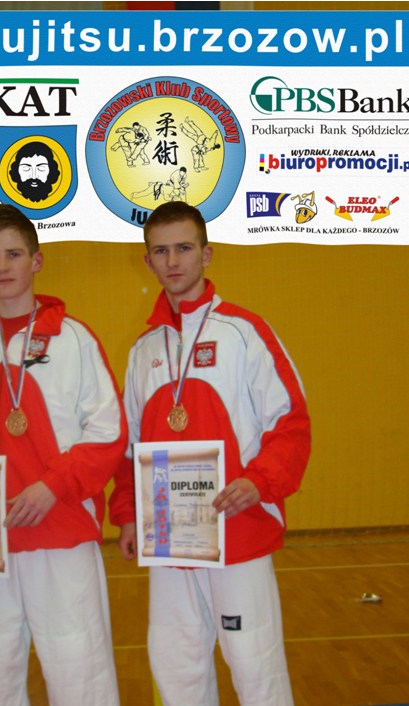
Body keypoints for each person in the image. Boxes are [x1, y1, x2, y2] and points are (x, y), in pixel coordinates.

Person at [0, 203, 127, 706]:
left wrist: (54, 486)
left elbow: (108, 433)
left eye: (13, 254)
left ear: (36, 261)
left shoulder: (73, 339)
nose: (3, 266)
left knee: (79, 671)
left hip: (59, 529)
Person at [109, 201, 311, 706]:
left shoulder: (244, 333)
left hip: (237, 530)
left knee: (255, 666)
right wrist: (128, 513)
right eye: (161, 251)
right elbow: (129, 446)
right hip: (169, 539)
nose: (173, 260)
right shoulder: (143, 351)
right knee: (178, 669)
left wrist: (259, 482)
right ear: (147, 261)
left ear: (206, 254)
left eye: (184, 248)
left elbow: (291, 422)